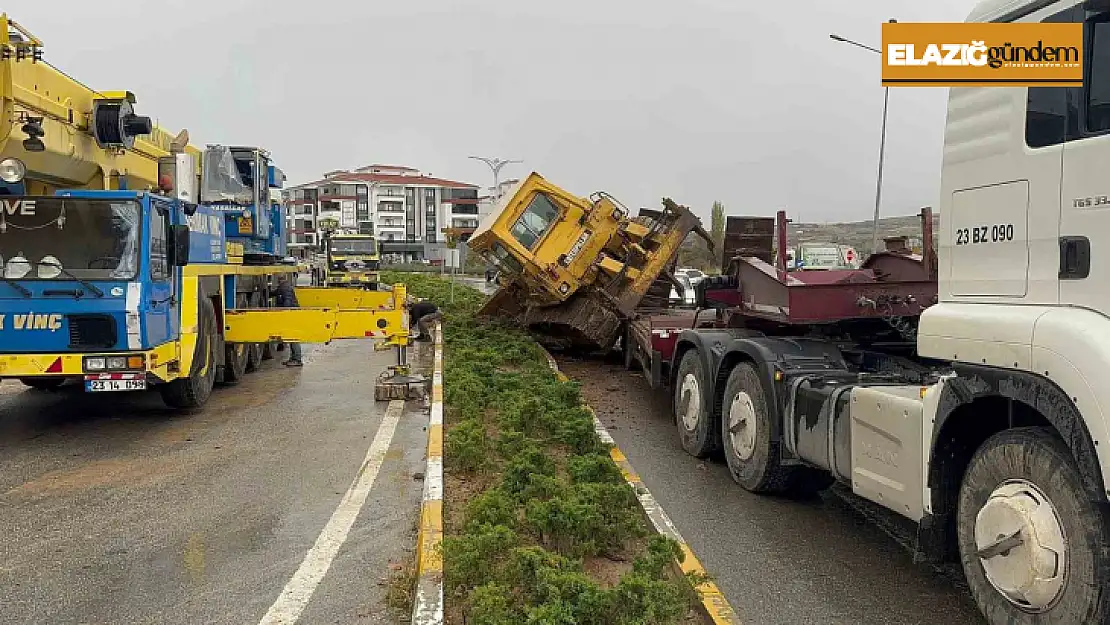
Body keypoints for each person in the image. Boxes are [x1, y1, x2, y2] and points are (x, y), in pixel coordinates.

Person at [275, 275, 303, 366]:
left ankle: (297, 359)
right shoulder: (285, 286)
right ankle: (293, 358)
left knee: (293, 338)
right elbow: (277, 292)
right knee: (292, 337)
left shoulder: (285, 288)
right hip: (293, 313)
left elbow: (287, 301)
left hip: (292, 315)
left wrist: (285, 313)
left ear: (280, 280)